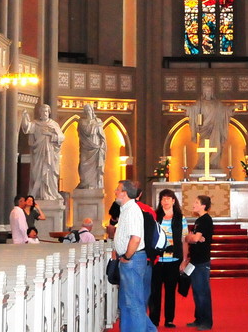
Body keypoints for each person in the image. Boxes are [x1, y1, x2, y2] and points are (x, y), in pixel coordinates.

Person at [112, 180, 157, 332]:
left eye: (118, 190)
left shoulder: (132, 210)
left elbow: (136, 238)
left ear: (125, 193)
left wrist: (127, 256)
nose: (115, 192)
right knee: (126, 302)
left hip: (133, 259)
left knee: (134, 302)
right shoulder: (125, 209)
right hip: (129, 259)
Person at [149, 189, 188, 328]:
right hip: (157, 260)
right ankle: (154, 319)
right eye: (163, 199)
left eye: (168, 199)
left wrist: (184, 259)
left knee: (171, 291)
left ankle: (169, 319)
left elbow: (184, 239)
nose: (165, 201)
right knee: (155, 291)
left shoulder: (180, 218)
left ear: (173, 200)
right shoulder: (154, 216)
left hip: (173, 260)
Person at [181, 194, 214, 330]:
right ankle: (199, 318)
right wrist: (192, 237)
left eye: (196, 202)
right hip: (195, 260)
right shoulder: (199, 220)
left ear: (203, 205)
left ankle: (206, 322)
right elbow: (193, 238)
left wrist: (190, 237)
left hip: (202, 261)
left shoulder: (205, 220)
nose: (193, 204)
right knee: (196, 291)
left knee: (202, 292)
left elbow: (193, 238)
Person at [21, 103, 64, 200]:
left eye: (46, 111)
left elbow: (61, 137)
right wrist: (24, 117)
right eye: (42, 111)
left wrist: (50, 134)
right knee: (37, 174)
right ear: (40, 113)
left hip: (50, 155)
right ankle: (38, 194)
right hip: (38, 154)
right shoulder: (36, 124)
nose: (44, 113)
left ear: (49, 113)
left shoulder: (53, 125)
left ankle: (51, 193)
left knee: (50, 174)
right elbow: (27, 127)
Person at [185, 83, 233, 169]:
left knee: (216, 146)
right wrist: (184, 108)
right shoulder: (200, 103)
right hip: (205, 129)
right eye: (206, 91)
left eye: (209, 91)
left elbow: (224, 111)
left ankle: (214, 164)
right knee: (203, 146)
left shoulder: (217, 104)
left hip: (215, 128)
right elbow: (193, 109)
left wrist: (232, 108)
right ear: (204, 92)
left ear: (212, 92)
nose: (208, 93)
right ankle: (202, 164)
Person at [77, 103, 107, 189]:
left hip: (96, 147)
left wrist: (101, 145)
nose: (88, 112)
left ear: (92, 111)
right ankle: (84, 183)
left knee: (95, 168)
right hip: (85, 147)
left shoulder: (97, 121)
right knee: (83, 165)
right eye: (86, 110)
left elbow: (102, 136)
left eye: (89, 110)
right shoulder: (81, 122)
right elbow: (81, 135)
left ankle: (94, 185)